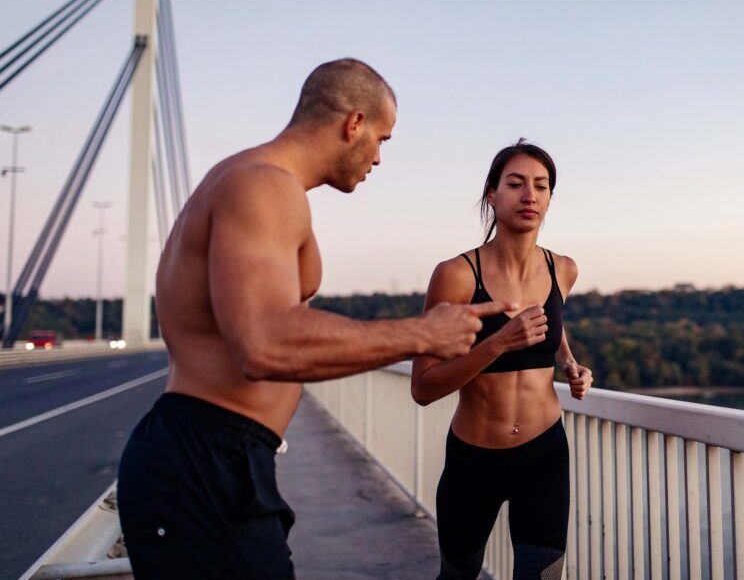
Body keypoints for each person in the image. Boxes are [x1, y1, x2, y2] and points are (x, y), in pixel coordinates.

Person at [117, 58, 514, 580]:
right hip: (205, 460)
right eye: (382, 139)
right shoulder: (264, 186)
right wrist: (422, 333)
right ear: (354, 124)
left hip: (217, 458)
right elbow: (263, 344)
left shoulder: (245, 180)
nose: (378, 157)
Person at [411, 139, 594, 579]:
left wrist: (569, 363)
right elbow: (423, 387)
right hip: (474, 459)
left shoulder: (562, 269)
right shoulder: (456, 276)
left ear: (550, 199)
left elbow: (554, 321)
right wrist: (496, 344)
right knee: (457, 575)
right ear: (492, 194)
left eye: (541, 186)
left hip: (544, 455)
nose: (529, 195)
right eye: (515, 183)